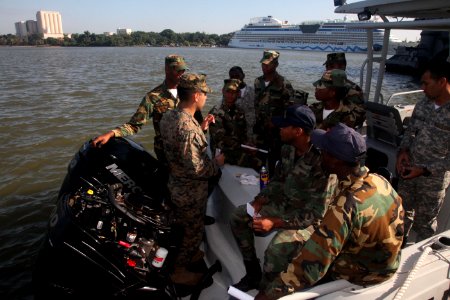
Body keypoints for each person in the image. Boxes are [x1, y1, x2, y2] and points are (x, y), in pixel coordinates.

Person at [256, 123, 404, 300]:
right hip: (387, 263)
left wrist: (270, 293)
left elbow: (312, 265)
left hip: (364, 275)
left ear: (336, 160)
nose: (319, 154)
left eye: (323, 151)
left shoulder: (345, 206)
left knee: (285, 256)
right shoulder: (380, 180)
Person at [230, 104, 338, 292]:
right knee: (238, 216)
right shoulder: (288, 149)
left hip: (309, 218)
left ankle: (268, 291)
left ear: (298, 131)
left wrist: (275, 222)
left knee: (276, 250)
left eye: (284, 126)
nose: (279, 128)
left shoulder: (323, 163)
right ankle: (253, 273)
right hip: (285, 204)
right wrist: (259, 200)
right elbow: (278, 180)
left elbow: (316, 215)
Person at [160, 73, 225, 285]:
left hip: (176, 186)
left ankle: (187, 254)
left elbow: (181, 146)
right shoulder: (188, 127)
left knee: (182, 228)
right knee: (191, 232)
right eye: (204, 94)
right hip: (189, 192)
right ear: (196, 96)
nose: (206, 97)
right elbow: (197, 169)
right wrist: (217, 164)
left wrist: (201, 129)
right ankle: (178, 270)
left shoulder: (170, 116)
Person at [91, 54, 189, 166]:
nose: (182, 74)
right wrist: (111, 133)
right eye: (178, 70)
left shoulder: (188, 92)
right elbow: (134, 125)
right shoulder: (153, 97)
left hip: (187, 148)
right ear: (167, 69)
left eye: (184, 70)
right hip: (167, 153)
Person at [396, 60, 450, 244]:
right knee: (400, 216)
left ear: (442, 82)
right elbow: (410, 131)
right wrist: (403, 151)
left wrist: (424, 169)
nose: (422, 88)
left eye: (426, 83)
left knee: (425, 226)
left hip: (432, 182)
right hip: (408, 171)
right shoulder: (422, 104)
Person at [253, 50, 296, 176]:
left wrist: (277, 122)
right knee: (257, 162)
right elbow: (255, 104)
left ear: (276, 65)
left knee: (274, 163)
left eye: (268, 64)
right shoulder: (257, 82)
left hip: (276, 133)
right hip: (259, 130)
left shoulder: (283, 84)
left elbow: (290, 109)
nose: (264, 67)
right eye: (263, 64)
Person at [208, 78, 262, 171]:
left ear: (238, 94)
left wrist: (248, 144)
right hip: (222, 152)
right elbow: (220, 139)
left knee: (259, 156)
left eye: (234, 93)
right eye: (228, 92)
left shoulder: (240, 111)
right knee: (257, 162)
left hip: (237, 149)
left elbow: (243, 134)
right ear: (223, 91)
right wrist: (243, 147)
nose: (230, 95)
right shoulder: (216, 113)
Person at [229, 66, 257, 142]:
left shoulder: (253, 91)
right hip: (237, 134)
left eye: (237, 76)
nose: (235, 79)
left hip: (252, 132)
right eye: (232, 77)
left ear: (243, 75)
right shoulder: (229, 94)